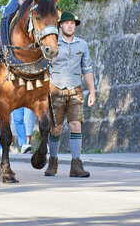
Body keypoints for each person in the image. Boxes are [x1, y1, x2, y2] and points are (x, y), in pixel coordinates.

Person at [45, 11, 96, 178]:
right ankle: (52, 161)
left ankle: (76, 164)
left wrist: (92, 92)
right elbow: (44, 67)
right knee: (56, 128)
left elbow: (87, 70)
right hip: (55, 88)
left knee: (76, 125)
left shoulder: (82, 45)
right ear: (60, 25)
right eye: (66, 23)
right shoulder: (53, 43)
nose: (70, 25)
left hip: (75, 89)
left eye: (72, 23)